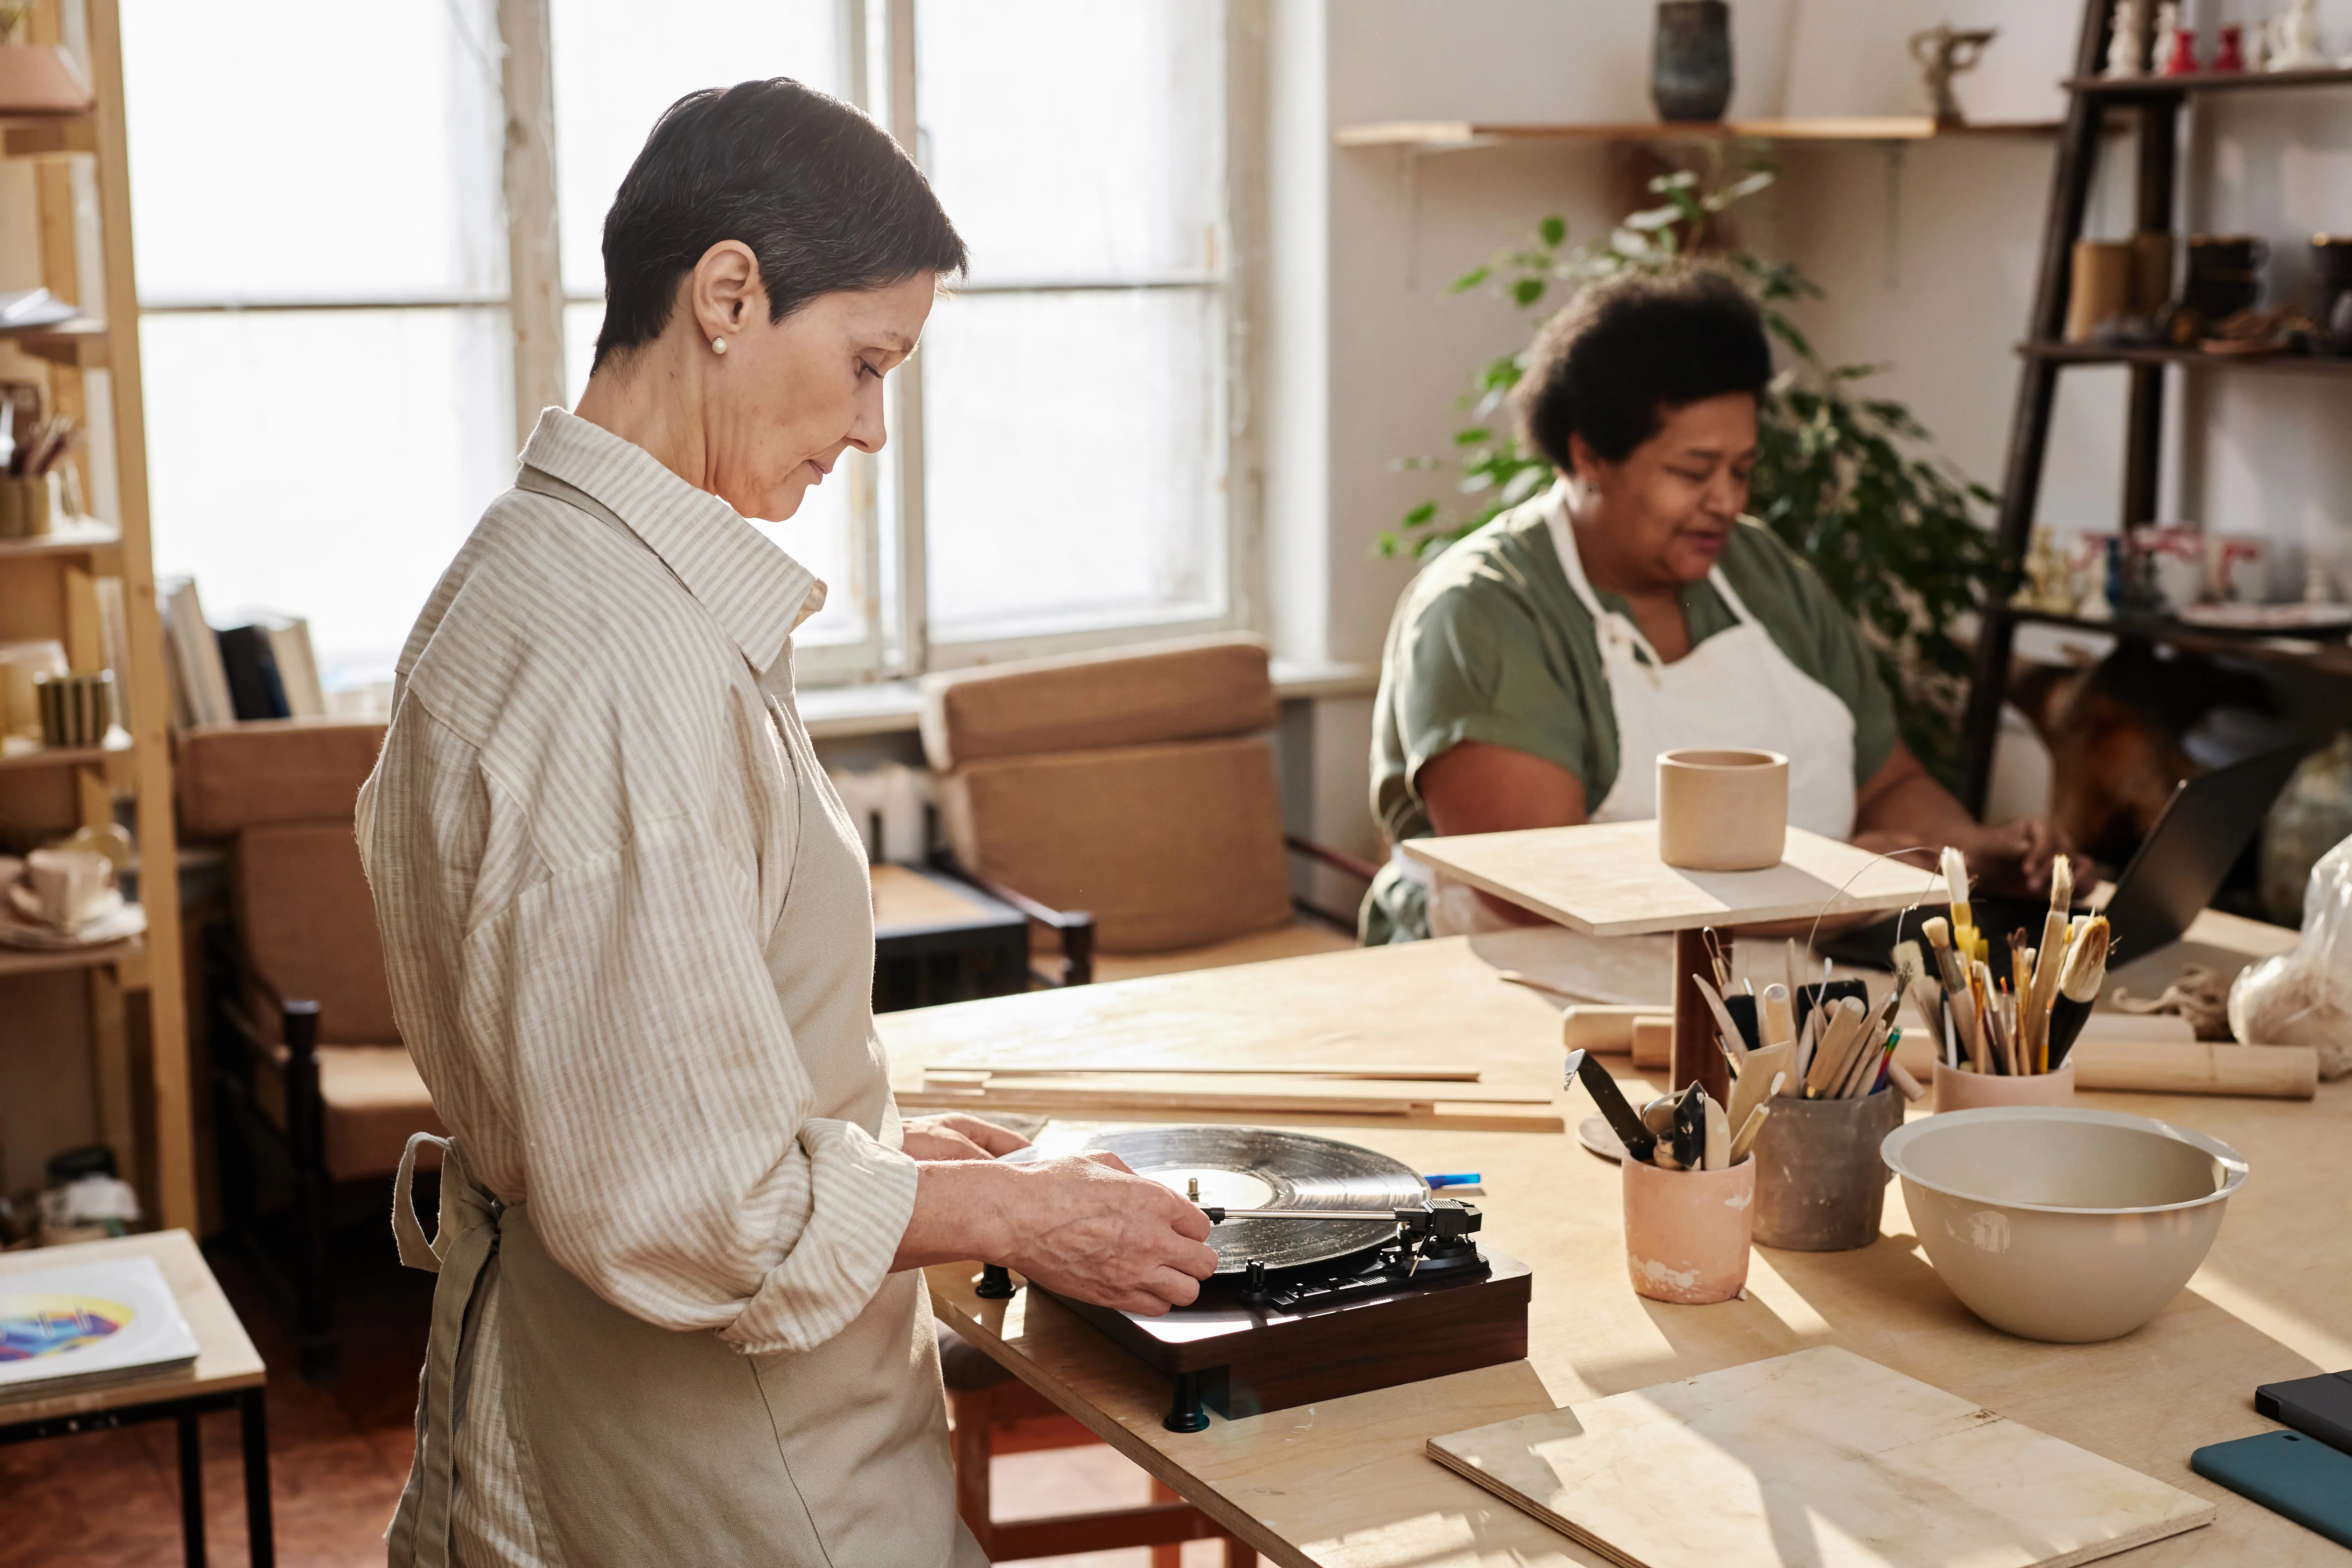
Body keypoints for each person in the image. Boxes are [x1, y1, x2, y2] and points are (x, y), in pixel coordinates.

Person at [358, 80, 1218, 1568]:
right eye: (868, 361)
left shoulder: (526, 570)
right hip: (730, 1455)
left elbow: (642, 1061)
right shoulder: (622, 658)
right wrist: (1007, 1211)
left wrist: (881, 1143)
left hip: (609, 1383)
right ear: (731, 295)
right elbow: (699, 1204)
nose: (873, 427)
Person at [1364, 263, 2079, 942]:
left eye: (1742, 470)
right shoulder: (1483, 613)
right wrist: (1835, 890)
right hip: (1524, 1001)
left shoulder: (1764, 571)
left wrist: (1975, 853)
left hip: (1794, 984)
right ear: (1589, 457)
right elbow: (1547, 890)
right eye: (1693, 471)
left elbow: (1889, 782)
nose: (1727, 502)